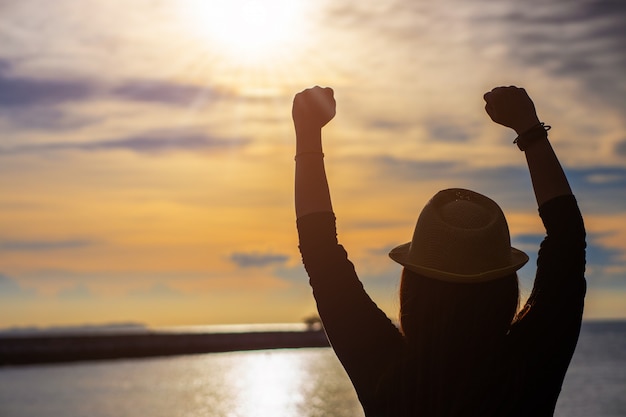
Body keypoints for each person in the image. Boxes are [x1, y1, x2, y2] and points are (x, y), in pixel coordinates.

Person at [293, 85, 586, 416]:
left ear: (413, 285)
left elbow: (321, 254)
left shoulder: (386, 369)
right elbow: (568, 240)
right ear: (504, 286)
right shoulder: (530, 365)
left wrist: (307, 133)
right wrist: (530, 130)